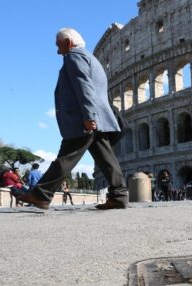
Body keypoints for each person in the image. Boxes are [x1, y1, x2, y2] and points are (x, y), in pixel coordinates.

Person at [18, 28, 128, 210]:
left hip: (84, 118)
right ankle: (119, 196)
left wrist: (88, 116)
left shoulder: (73, 57)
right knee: (107, 159)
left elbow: (83, 86)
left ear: (68, 42)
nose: (57, 51)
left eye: (58, 45)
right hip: (99, 118)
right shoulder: (92, 59)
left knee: (66, 157)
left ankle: (41, 195)